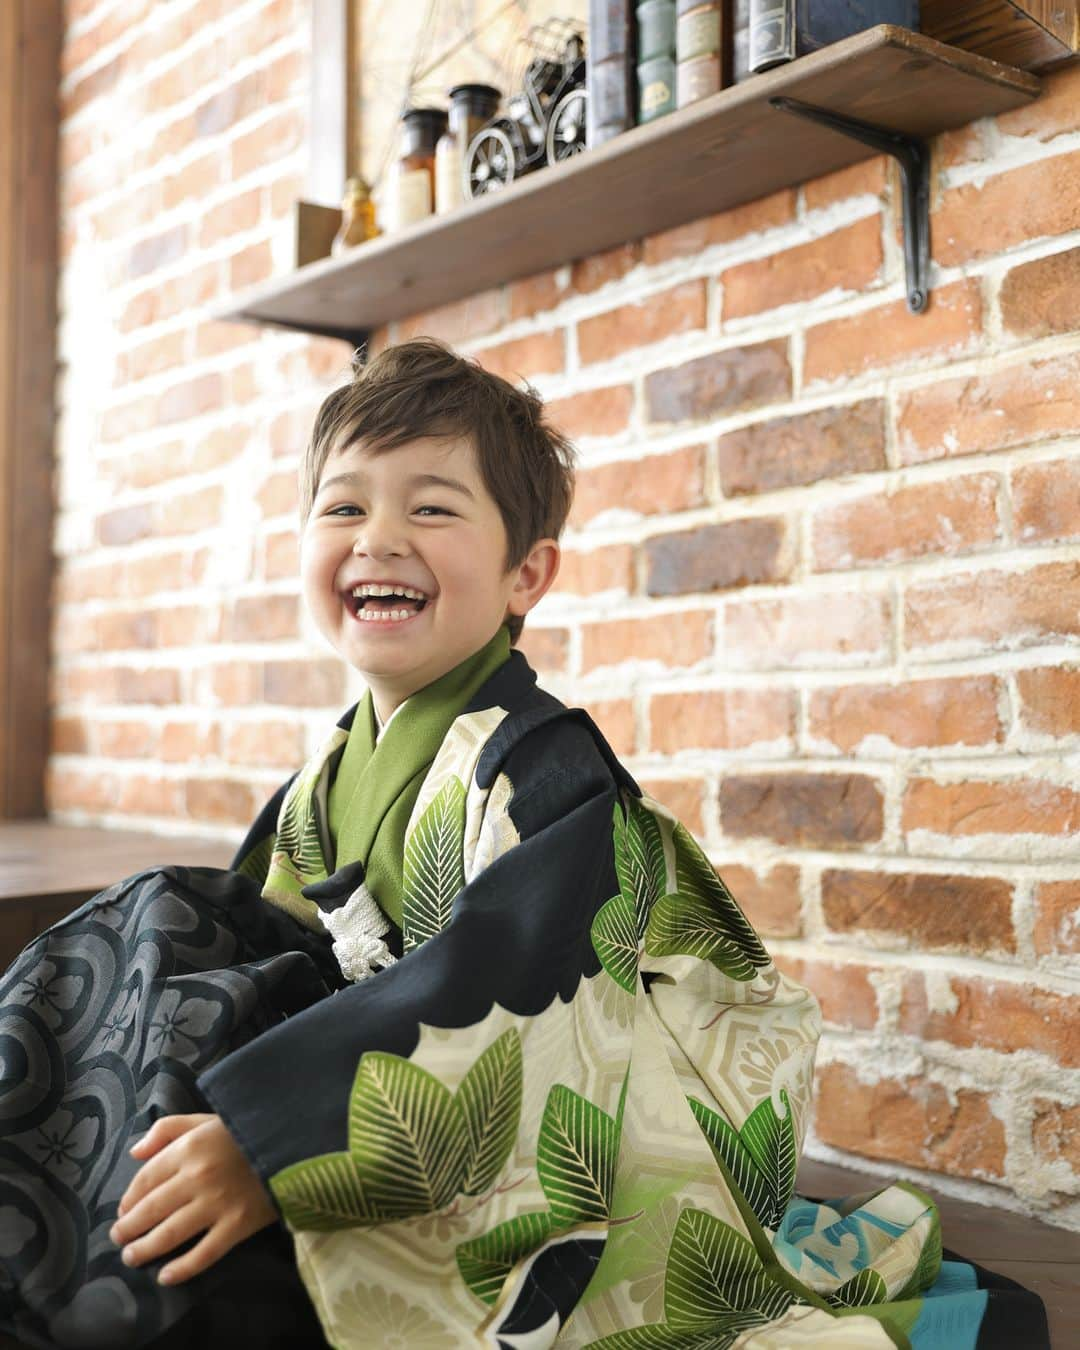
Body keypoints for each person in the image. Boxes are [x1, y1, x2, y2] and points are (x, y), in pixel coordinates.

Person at [0, 340, 1048, 1349]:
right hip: (370, 1076)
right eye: (344, 505)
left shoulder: (543, 767)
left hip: (592, 1120)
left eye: (432, 508)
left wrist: (273, 1148)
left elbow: (515, 994)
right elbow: (250, 955)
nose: (379, 536)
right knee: (159, 919)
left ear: (525, 575)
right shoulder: (321, 778)